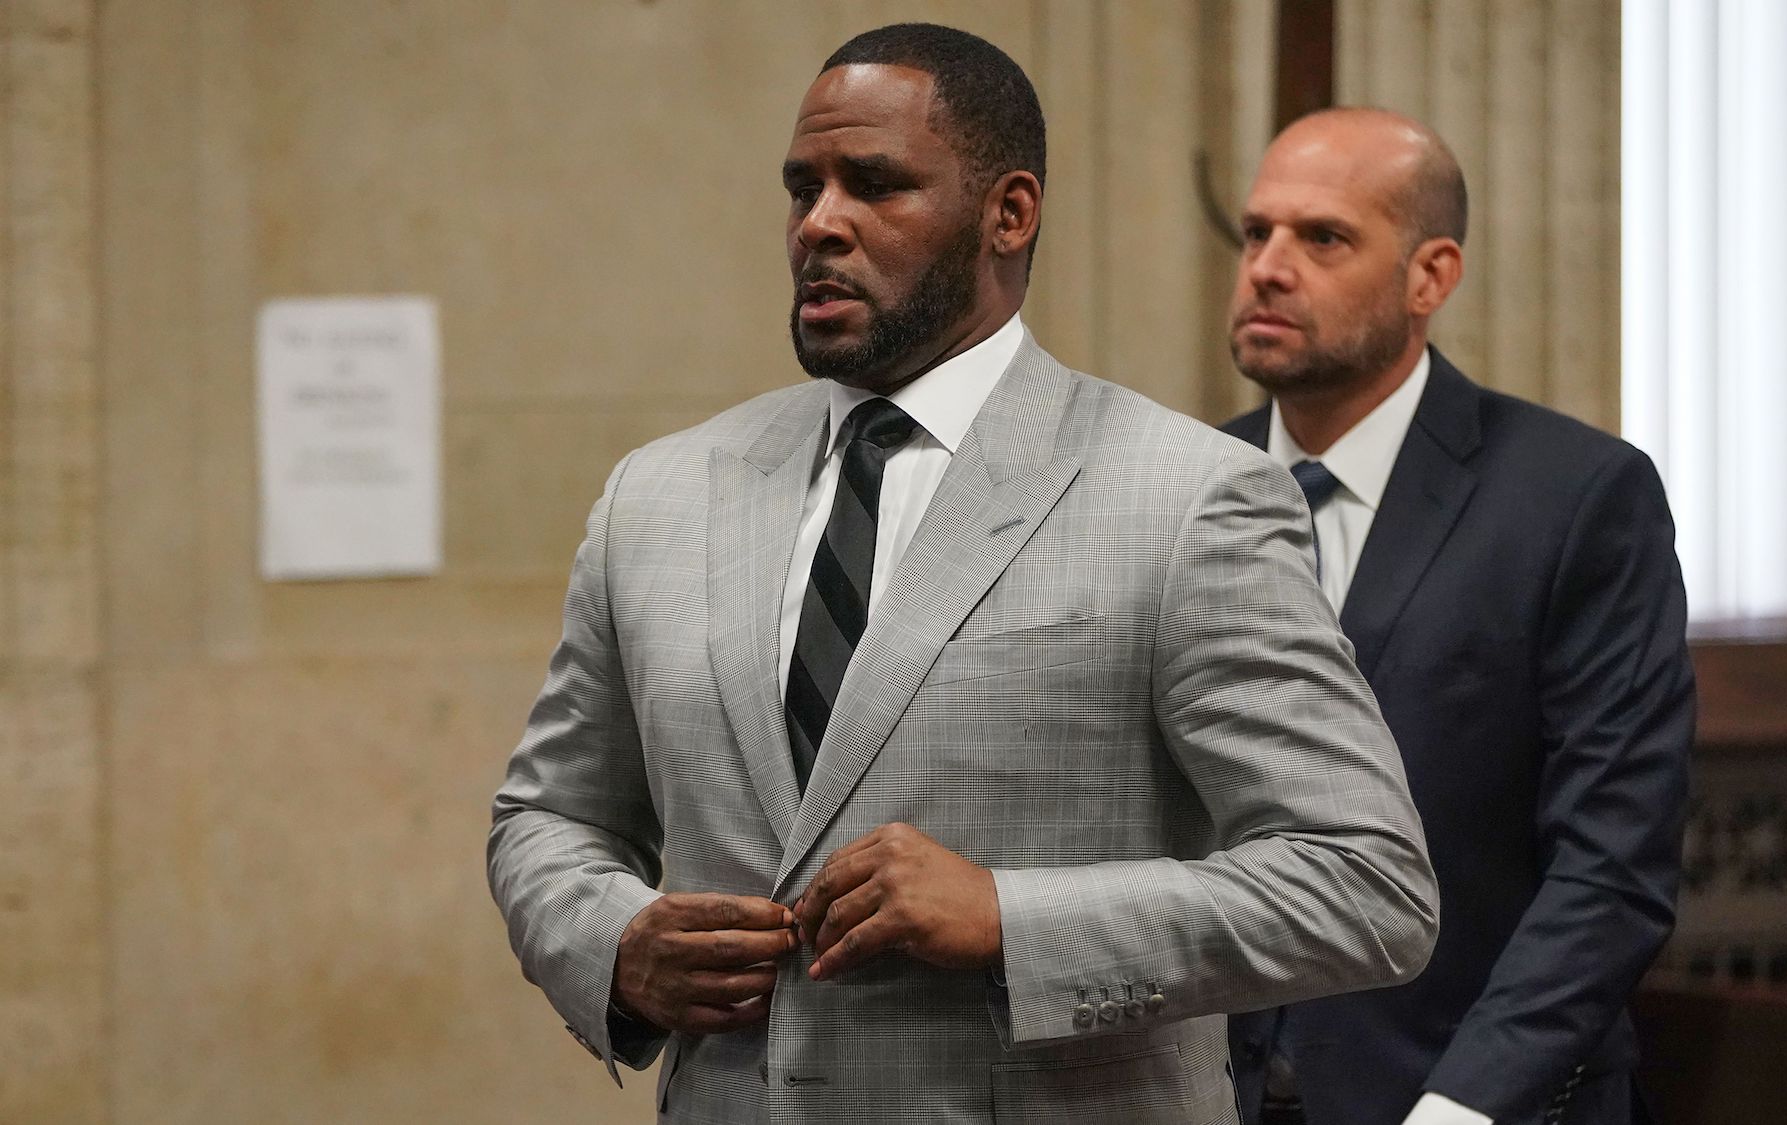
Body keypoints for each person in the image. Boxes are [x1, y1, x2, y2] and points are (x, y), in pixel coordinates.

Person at [488, 25, 1438, 1123]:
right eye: (802, 188)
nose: (820, 223)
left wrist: (1009, 918)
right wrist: (614, 945)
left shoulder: (1184, 498)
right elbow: (547, 816)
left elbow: (1365, 883)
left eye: (874, 184)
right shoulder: (658, 496)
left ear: (1009, 213)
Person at [1221, 108, 1693, 1125]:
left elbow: (1610, 866)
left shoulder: (1573, 498)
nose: (1266, 267)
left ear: (1429, 276)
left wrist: (1462, 1107)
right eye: (1256, 232)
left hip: (1467, 1096)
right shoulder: (1182, 485)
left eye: (1322, 237)